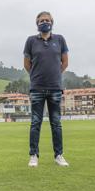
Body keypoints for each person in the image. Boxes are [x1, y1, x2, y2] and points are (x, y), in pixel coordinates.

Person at [23, 11, 69, 167]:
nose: (44, 22)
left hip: (55, 88)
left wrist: (54, 75)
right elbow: (27, 64)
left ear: (52, 22)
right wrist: (36, 76)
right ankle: (33, 155)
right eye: (41, 20)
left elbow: (64, 63)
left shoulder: (60, 39)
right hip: (37, 88)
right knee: (35, 122)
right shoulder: (31, 41)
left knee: (56, 123)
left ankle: (59, 155)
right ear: (37, 23)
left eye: (47, 20)